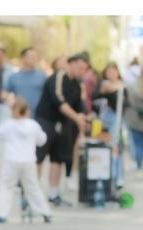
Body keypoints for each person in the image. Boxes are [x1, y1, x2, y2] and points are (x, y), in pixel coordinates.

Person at [34, 53, 88, 207]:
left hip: (63, 125)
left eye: (84, 69)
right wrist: (77, 118)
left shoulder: (77, 85)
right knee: (39, 158)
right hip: (46, 122)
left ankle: (53, 194)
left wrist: (84, 119)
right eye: (79, 68)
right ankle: (31, 193)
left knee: (58, 159)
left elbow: (79, 108)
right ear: (70, 64)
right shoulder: (58, 77)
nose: (81, 71)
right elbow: (59, 101)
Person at [0, 96, 51, 224]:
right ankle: (44, 212)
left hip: (11, 160)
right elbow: (42, 140)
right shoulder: (33, 125)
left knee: (6, 186)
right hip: (28, 160)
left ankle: (0, 213)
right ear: (27, 111)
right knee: (33, 187)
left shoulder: (8, 124)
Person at [92, 62, 128, 189]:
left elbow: (124, 104)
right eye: (108, 71)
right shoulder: (101, 85)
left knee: (115, 147)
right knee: (100, 146)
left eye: (114, 71)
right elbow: (93, 98)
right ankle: (102, 175)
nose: (111, 74)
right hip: (101, 121)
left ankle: (116, 176)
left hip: (116, 121)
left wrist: (114, 89)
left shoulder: (122, 86)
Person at [5, 47, 47, 118]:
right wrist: (10, 100)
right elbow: (4, 93)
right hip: (20, 116)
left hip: (40, 116)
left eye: (35, 57)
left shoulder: (42, 76)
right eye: (31, 56)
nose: (34, 59)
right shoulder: (14, 76)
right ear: (23, 58)